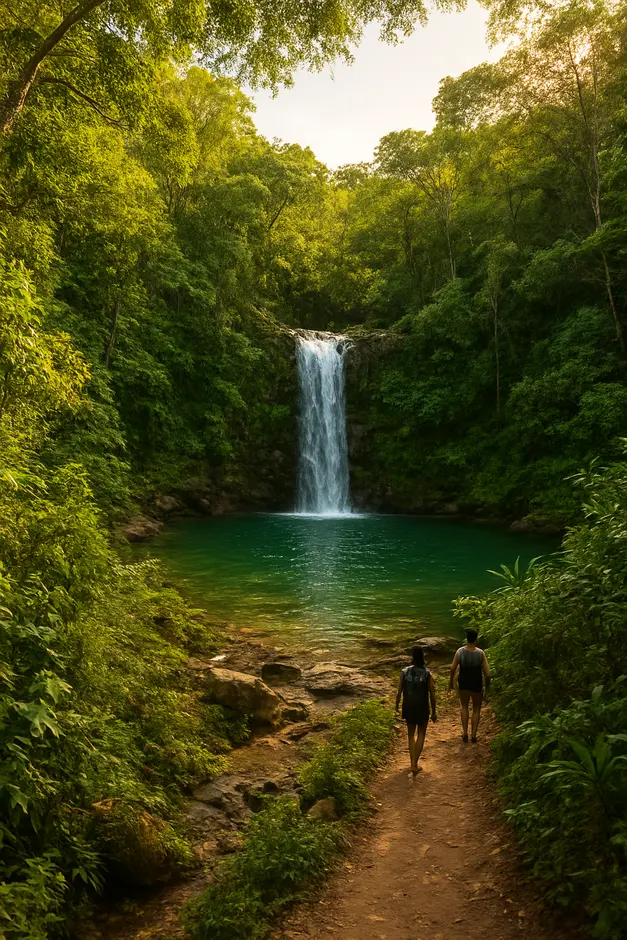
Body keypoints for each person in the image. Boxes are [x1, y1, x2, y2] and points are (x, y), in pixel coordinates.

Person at [395, 646, 437, 776]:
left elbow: (399, 691)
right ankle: (415, 763)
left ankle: (412, 764)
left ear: (412, 657)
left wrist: (396, 705)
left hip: (409, 706)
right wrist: (434, 711)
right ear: (423, 657)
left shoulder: (404, 672)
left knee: (410, 735)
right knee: (421, 734)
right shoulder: (427, 673)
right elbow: (432, 694)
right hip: (422, 707)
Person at [449, 628, 491, 743]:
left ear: (467, 639)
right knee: (476, 709)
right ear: (476, 639)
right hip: (477, 685)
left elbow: (452, 668)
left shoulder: (460, 652)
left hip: (463, 683)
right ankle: (473, 735)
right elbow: (487, 675)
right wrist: (487, 689)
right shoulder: (480, 653)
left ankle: (465, 733)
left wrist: (450, 683)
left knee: (464, 707)